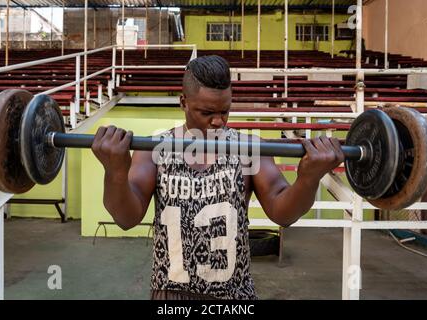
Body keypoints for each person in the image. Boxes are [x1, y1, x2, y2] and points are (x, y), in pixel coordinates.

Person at [91, 55, 344, 300]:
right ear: (183, 102)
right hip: (171, 294)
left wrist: (308, 179)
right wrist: (115, 172)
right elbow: (126, 218)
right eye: (206, 112)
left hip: (235, 295)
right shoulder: (154, 150)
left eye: (225, 111)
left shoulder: (249, 149)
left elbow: (283, 213)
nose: (218, 122)